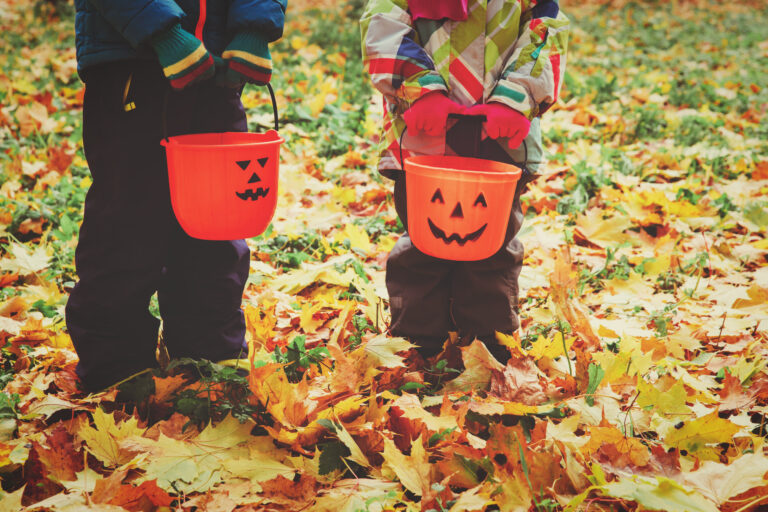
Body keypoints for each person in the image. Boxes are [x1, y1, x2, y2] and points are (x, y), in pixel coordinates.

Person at [66, 0, 286, 392]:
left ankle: (208, 347)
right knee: (127, 221)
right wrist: (162, 31)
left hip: (216, 71)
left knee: (216, 219)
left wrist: (253, 28)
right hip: (131, 63)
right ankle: (116, 364)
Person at [361, 0, 569, 363]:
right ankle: (417, 341)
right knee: (425, 239)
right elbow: (382, 27)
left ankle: (488, 344)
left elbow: (545, 34)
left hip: (500, 139)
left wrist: (515, 97)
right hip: (425, 136)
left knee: (492, 244)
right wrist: (419, 88)